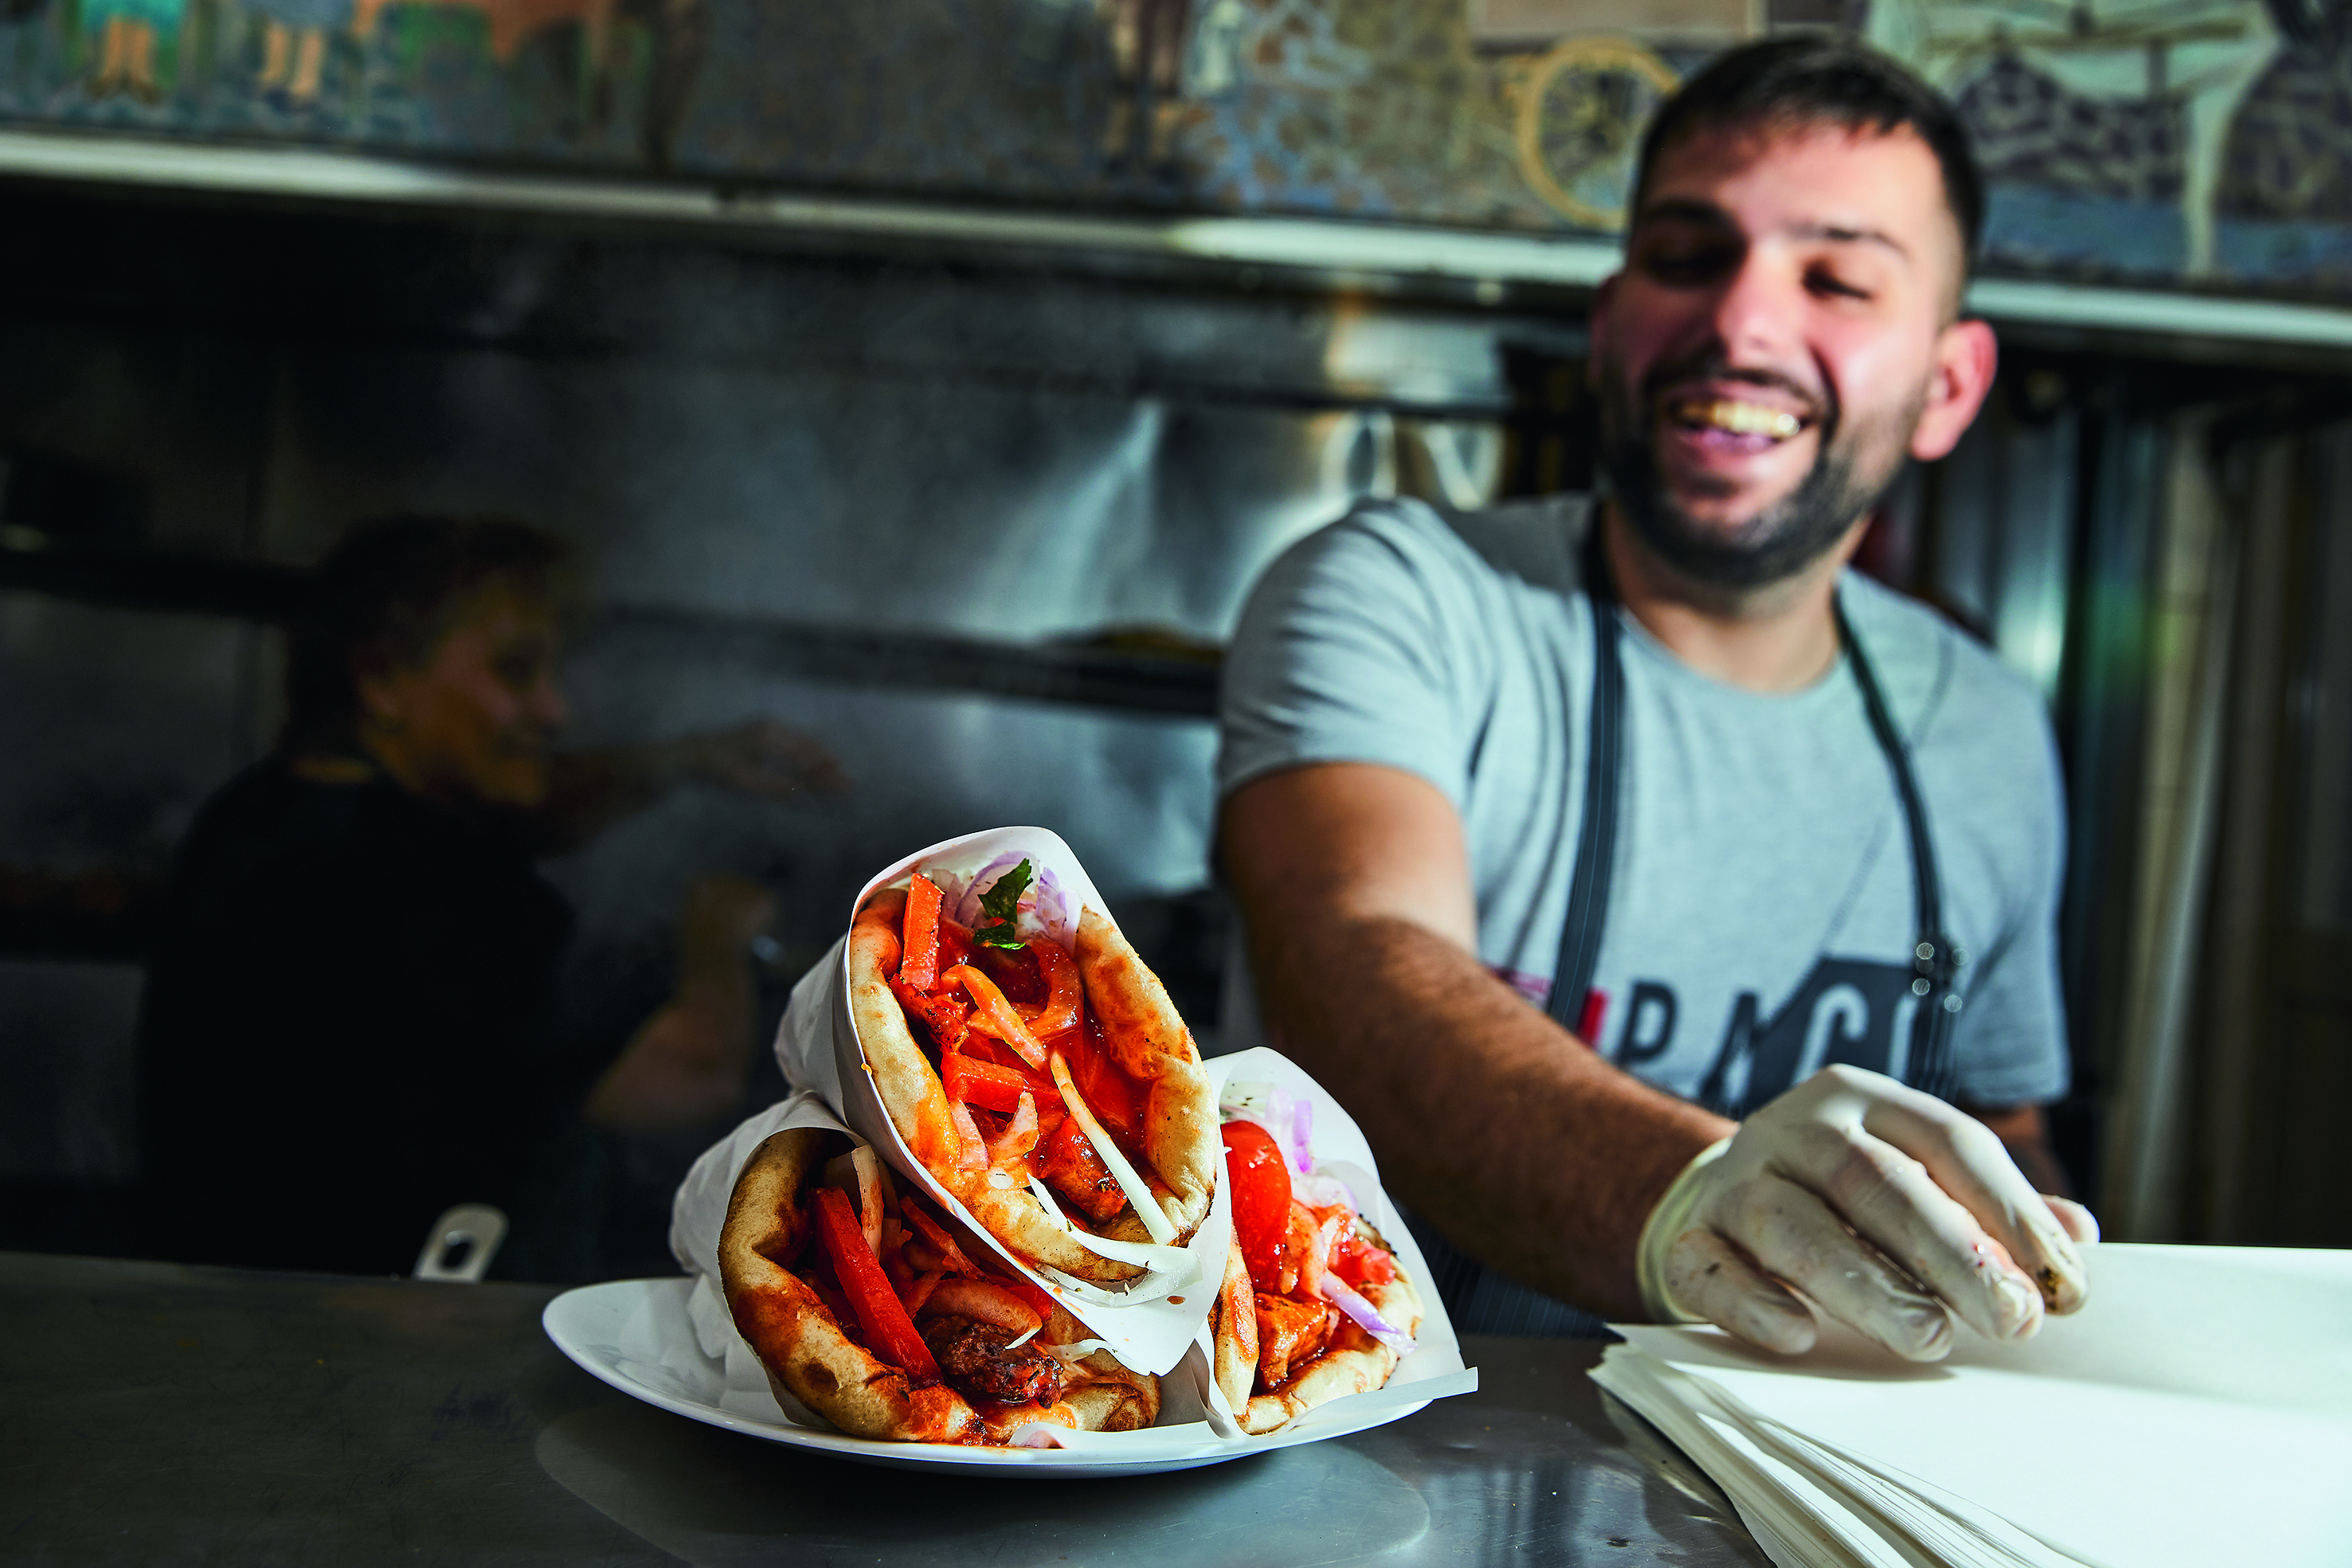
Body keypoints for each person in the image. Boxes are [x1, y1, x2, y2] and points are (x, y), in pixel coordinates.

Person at [1216, 36, 2100, 1359]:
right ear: (1607, 321)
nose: (1739, 323)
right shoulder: (1402, 593)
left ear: (1946, 384)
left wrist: (2022, 1233)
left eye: (1836, 278)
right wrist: (1693, 1196)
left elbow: (1993, 1105)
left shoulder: (1980, 722)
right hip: (1381, 1469)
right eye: (1687, 255)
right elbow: (1354, 976)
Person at [137, 515, 841, 1277]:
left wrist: (685, 760)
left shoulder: (260, 811)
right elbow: (685, 1078)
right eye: (516, 671)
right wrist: (718, 929)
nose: (554, 710)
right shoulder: (437, 884)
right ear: (379, 679)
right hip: (357, 1330)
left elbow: (527, 803)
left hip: (215, 1287)